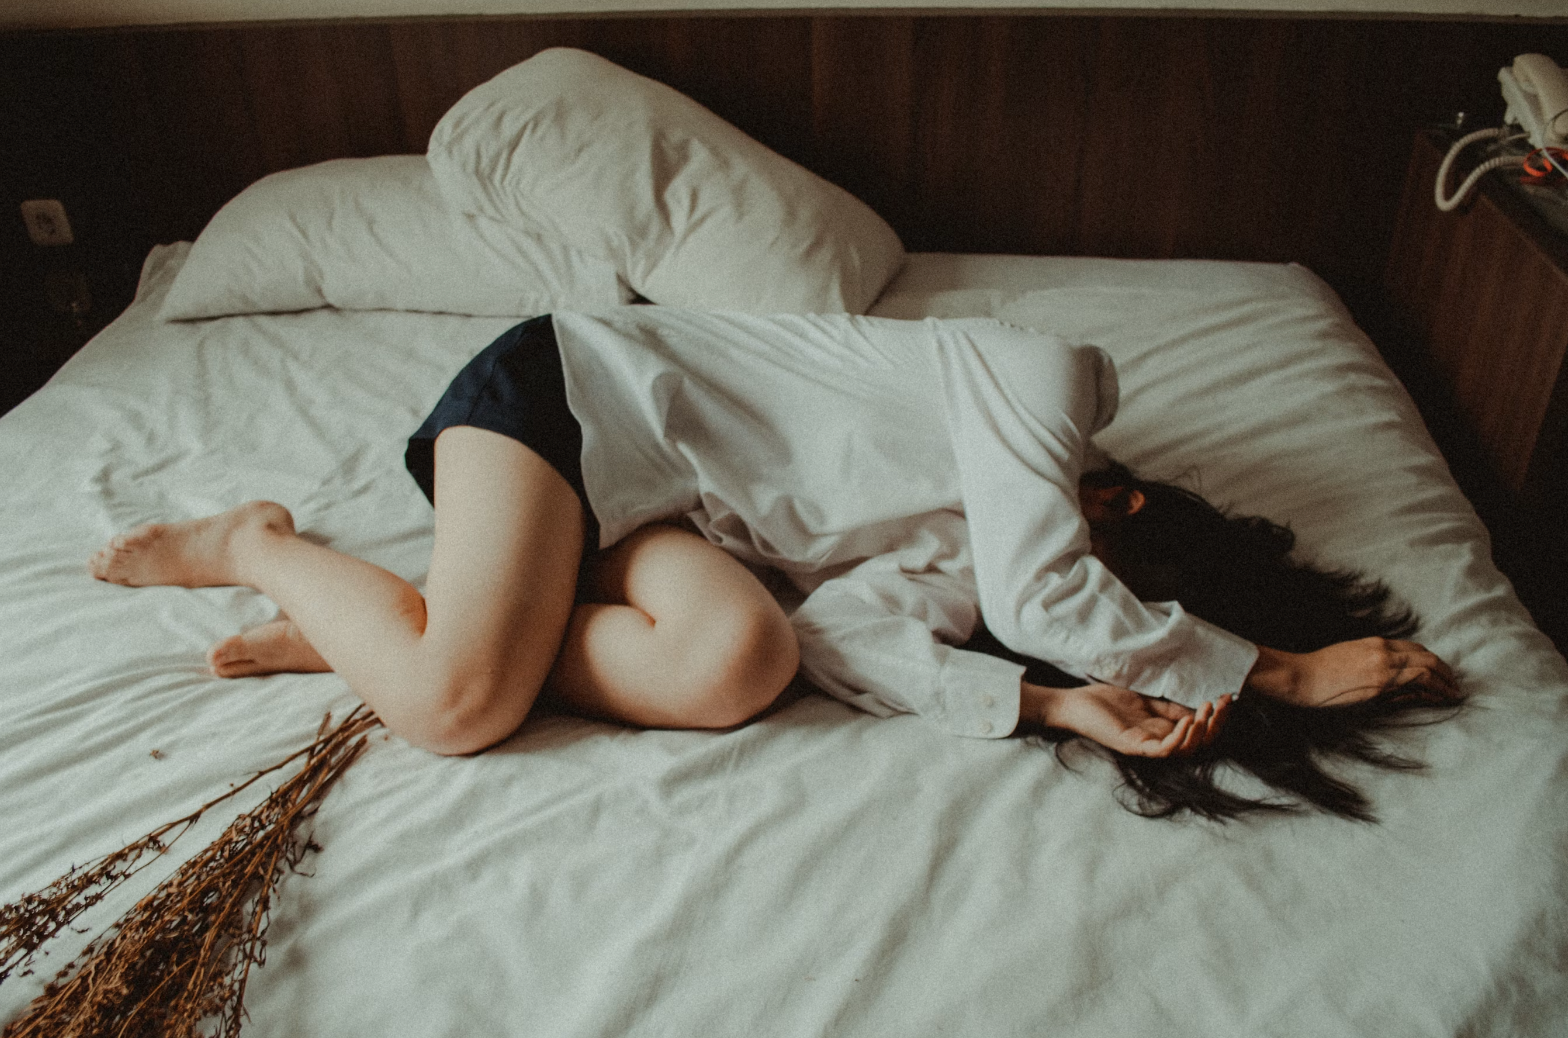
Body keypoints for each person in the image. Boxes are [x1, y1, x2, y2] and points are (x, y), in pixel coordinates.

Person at [88, 311, 1457, 817]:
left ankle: (376, 628)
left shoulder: (968, 569)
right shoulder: (1035, 381)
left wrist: (1048, 702)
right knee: (460, 706)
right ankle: (262, 547)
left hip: (664, 521)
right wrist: (1270, 669)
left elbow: (845, 644)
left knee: (747, 655)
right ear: (1117, 492)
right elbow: (1057, 592)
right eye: (1108, 552)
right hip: (581, 398)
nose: (1052, 569)